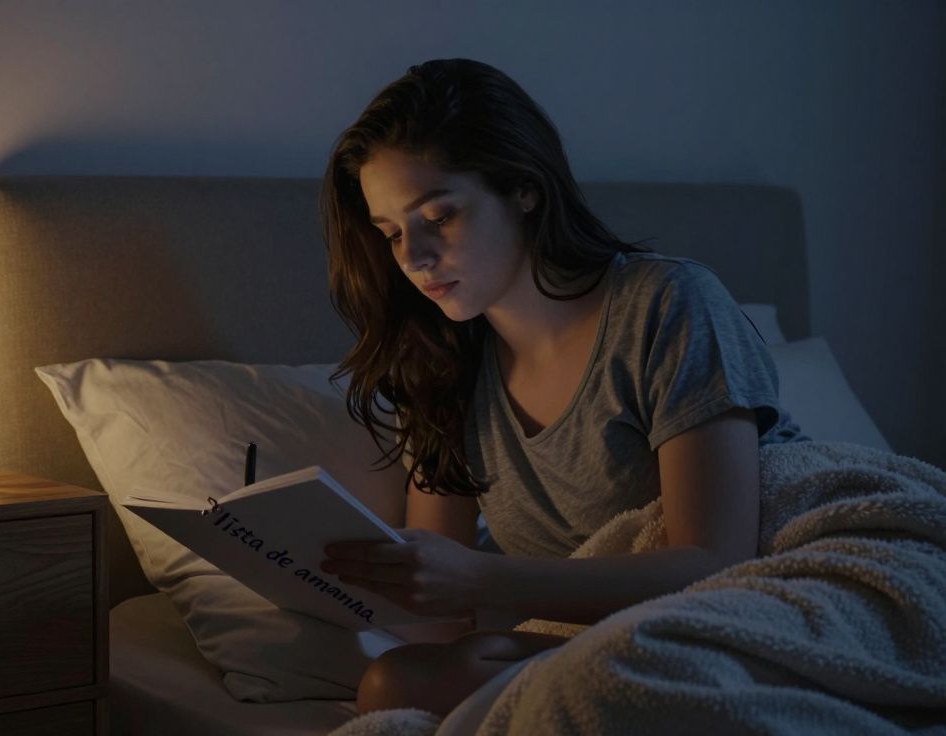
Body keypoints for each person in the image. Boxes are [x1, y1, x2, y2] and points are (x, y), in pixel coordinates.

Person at [317, 58, 806, 717]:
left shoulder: (667, 304)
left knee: (403, 686)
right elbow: (437, 616)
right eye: (393, 234)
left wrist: (483, 581)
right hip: (595, 640)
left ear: (524, 189)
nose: (414, 257)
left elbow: (713, 564)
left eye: (440, 216)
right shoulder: (443, 370)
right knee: (398, 682)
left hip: (746, 602)